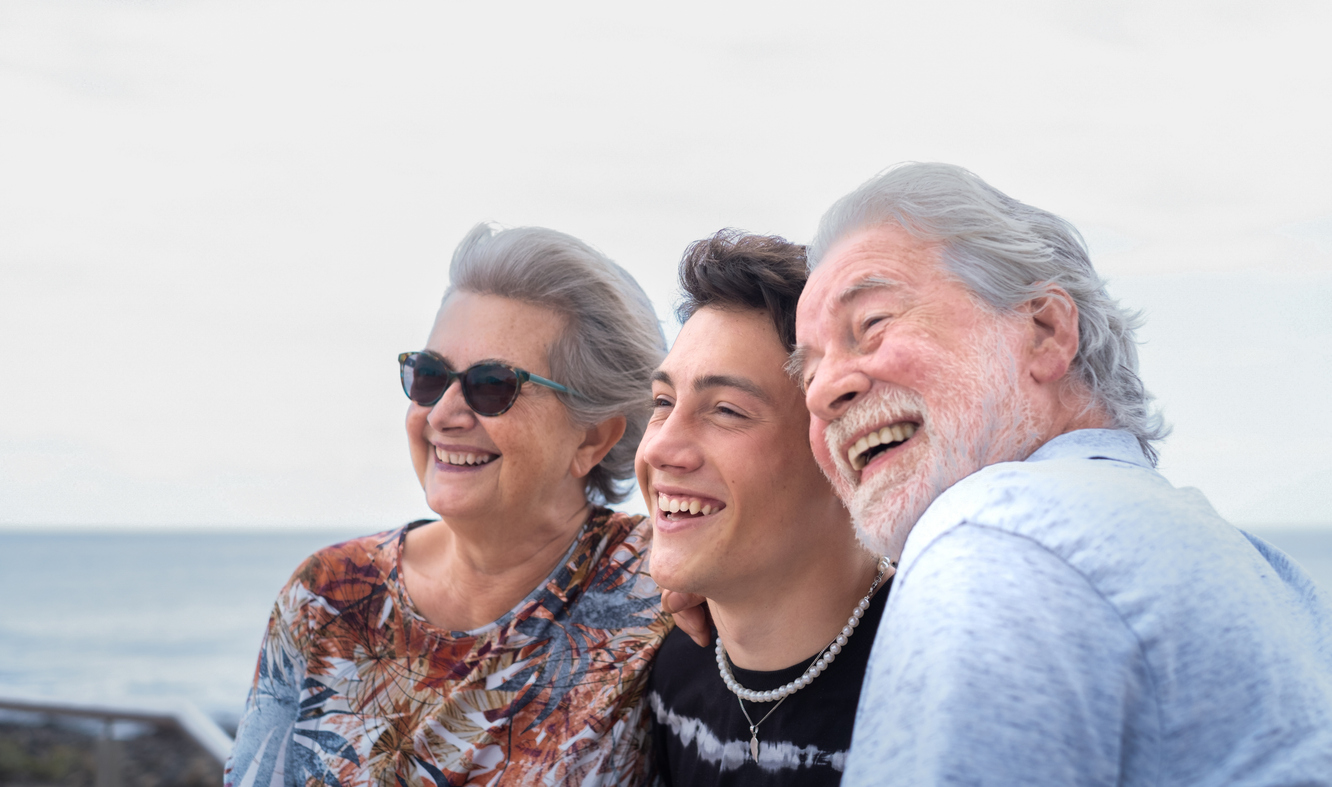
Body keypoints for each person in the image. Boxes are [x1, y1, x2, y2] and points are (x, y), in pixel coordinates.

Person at [791, 162, 1332, 785]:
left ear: (1046, 330)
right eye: (807, 375)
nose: (823, 391)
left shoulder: (996, 542)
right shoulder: (1261, 569)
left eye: (873, 324)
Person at [224, 224, 672, 786]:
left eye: (491, 385)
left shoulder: (659, 585)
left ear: (592, 440)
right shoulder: (329, 596)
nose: (441, 414)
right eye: (430, 376)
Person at [639, 230, 889, 785]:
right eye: (662, 403)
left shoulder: (925, 680)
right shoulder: (669, 671)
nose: (657, 447)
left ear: (842, 447)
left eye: (726, 410)